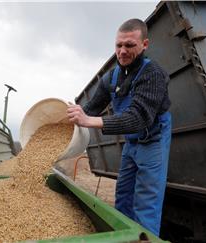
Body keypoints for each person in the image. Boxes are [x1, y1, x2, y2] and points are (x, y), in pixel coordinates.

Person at [67, 18, 172, 236]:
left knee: (146, 204)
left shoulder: (153, 74)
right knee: (123, 195)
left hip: (153, 139)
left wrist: (89, 121)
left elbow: (137, 118)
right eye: (118, 45)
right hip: (131, 142)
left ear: (144, 44)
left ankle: (146, 238)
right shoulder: (112, 77)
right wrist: (71, 119)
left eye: (130, 45)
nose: (122, 51)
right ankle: (124, 238)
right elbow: (91, 108)